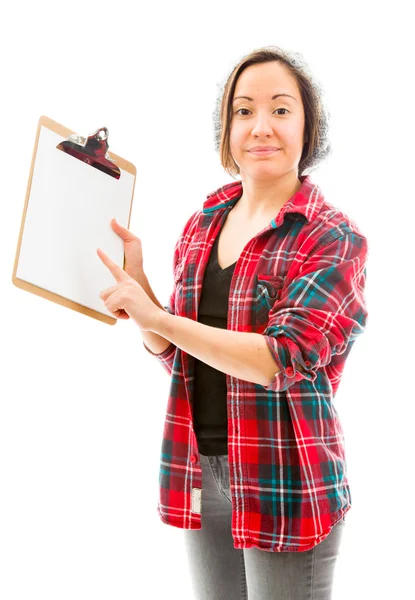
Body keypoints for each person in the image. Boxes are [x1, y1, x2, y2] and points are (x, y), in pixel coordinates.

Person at [108, 45, 369, 600]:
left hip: (285, 478)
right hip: (200, 468)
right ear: (227, 129)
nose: (260, 127)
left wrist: (159, 316)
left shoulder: (332, 238)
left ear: (308, 126)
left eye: (280, 109)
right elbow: (181, 354)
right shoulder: (205, 221)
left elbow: (277, 358)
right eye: (244, 110)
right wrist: (143, 299)